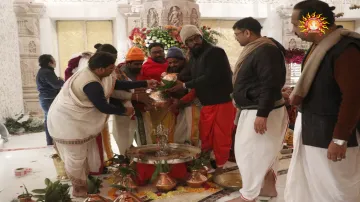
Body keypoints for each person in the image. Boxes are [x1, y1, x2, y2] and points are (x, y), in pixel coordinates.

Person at [47, 51, 157, 197]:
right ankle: (78, 189)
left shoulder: (98, 74)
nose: (114, 71)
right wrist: (125, 110)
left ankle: (84, 182)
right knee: (76, 156)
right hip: (68, 122)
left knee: (82, 155)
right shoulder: (90, 83)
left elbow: (116, 83)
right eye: (111, 68)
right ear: (100, 69)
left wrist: (144, 82)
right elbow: (102, 106)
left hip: (77, 121)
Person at [285, 1, 360, 202]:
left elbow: (354, 98)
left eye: (295, 24)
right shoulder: (320, 46)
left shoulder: (346, 49)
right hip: (313, 129)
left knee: (336, 189)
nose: (293, 30)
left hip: (330, 135)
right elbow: (325, 86)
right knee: (313, 185)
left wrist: (339, 139)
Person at [228, 17, 288, 202]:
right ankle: (268, 188)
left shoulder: (265, 50)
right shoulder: (259, 48)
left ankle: (248, 196)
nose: (236, 38)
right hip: (256, 108)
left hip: (262, 110)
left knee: (250, 153)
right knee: (264, 151)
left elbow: (269, 83)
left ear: (248, 32)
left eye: (237, 34)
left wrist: (262, 114)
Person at [168, 25, 236, 171]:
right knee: (206, 137)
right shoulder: (193, 56)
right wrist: (170, 80)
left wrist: (185, 85)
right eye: (190, 40)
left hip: (222, 103)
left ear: (201, 36)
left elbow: (210, 77)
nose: (195, 42)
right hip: (207, 104)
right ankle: (208, 165)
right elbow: (189, 74)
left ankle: (220, 168)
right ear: (186, 44)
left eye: (197, 37)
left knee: (221, 138)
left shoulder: (215, 52)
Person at [112, 47, 154, 154]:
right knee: (125, 139)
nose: (139, 66)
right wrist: (137, 96)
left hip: (141, 109)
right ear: (128, 63)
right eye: (136, 64)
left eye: (141, 63)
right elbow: (116, 93)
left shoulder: (142, 71)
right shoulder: (119, 74)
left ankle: (144, 161)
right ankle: (127, 163)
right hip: (124, 111)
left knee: (143, 137)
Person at [166, 47, 200, 146]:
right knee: (178, 135)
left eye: (175, 62)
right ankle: (182, 158)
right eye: (170, 63)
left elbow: (195, 90)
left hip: (193, 105)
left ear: (183, 60)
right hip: (179, 106)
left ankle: (195, 159)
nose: (172, 65)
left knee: (192, 133)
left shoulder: (192, 69)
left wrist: (180, 101)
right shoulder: (170, 70)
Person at [36, 54, 65, 146]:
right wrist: (61, 80)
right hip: (48, 99)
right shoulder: (47, 72)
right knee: (51, 120)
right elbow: (56, 85)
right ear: (50, 63)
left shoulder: (44, 71)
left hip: (46, 98)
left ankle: (51, 141)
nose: (55, 62)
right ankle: (52, 141)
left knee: (49, 119)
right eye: (54, 60)